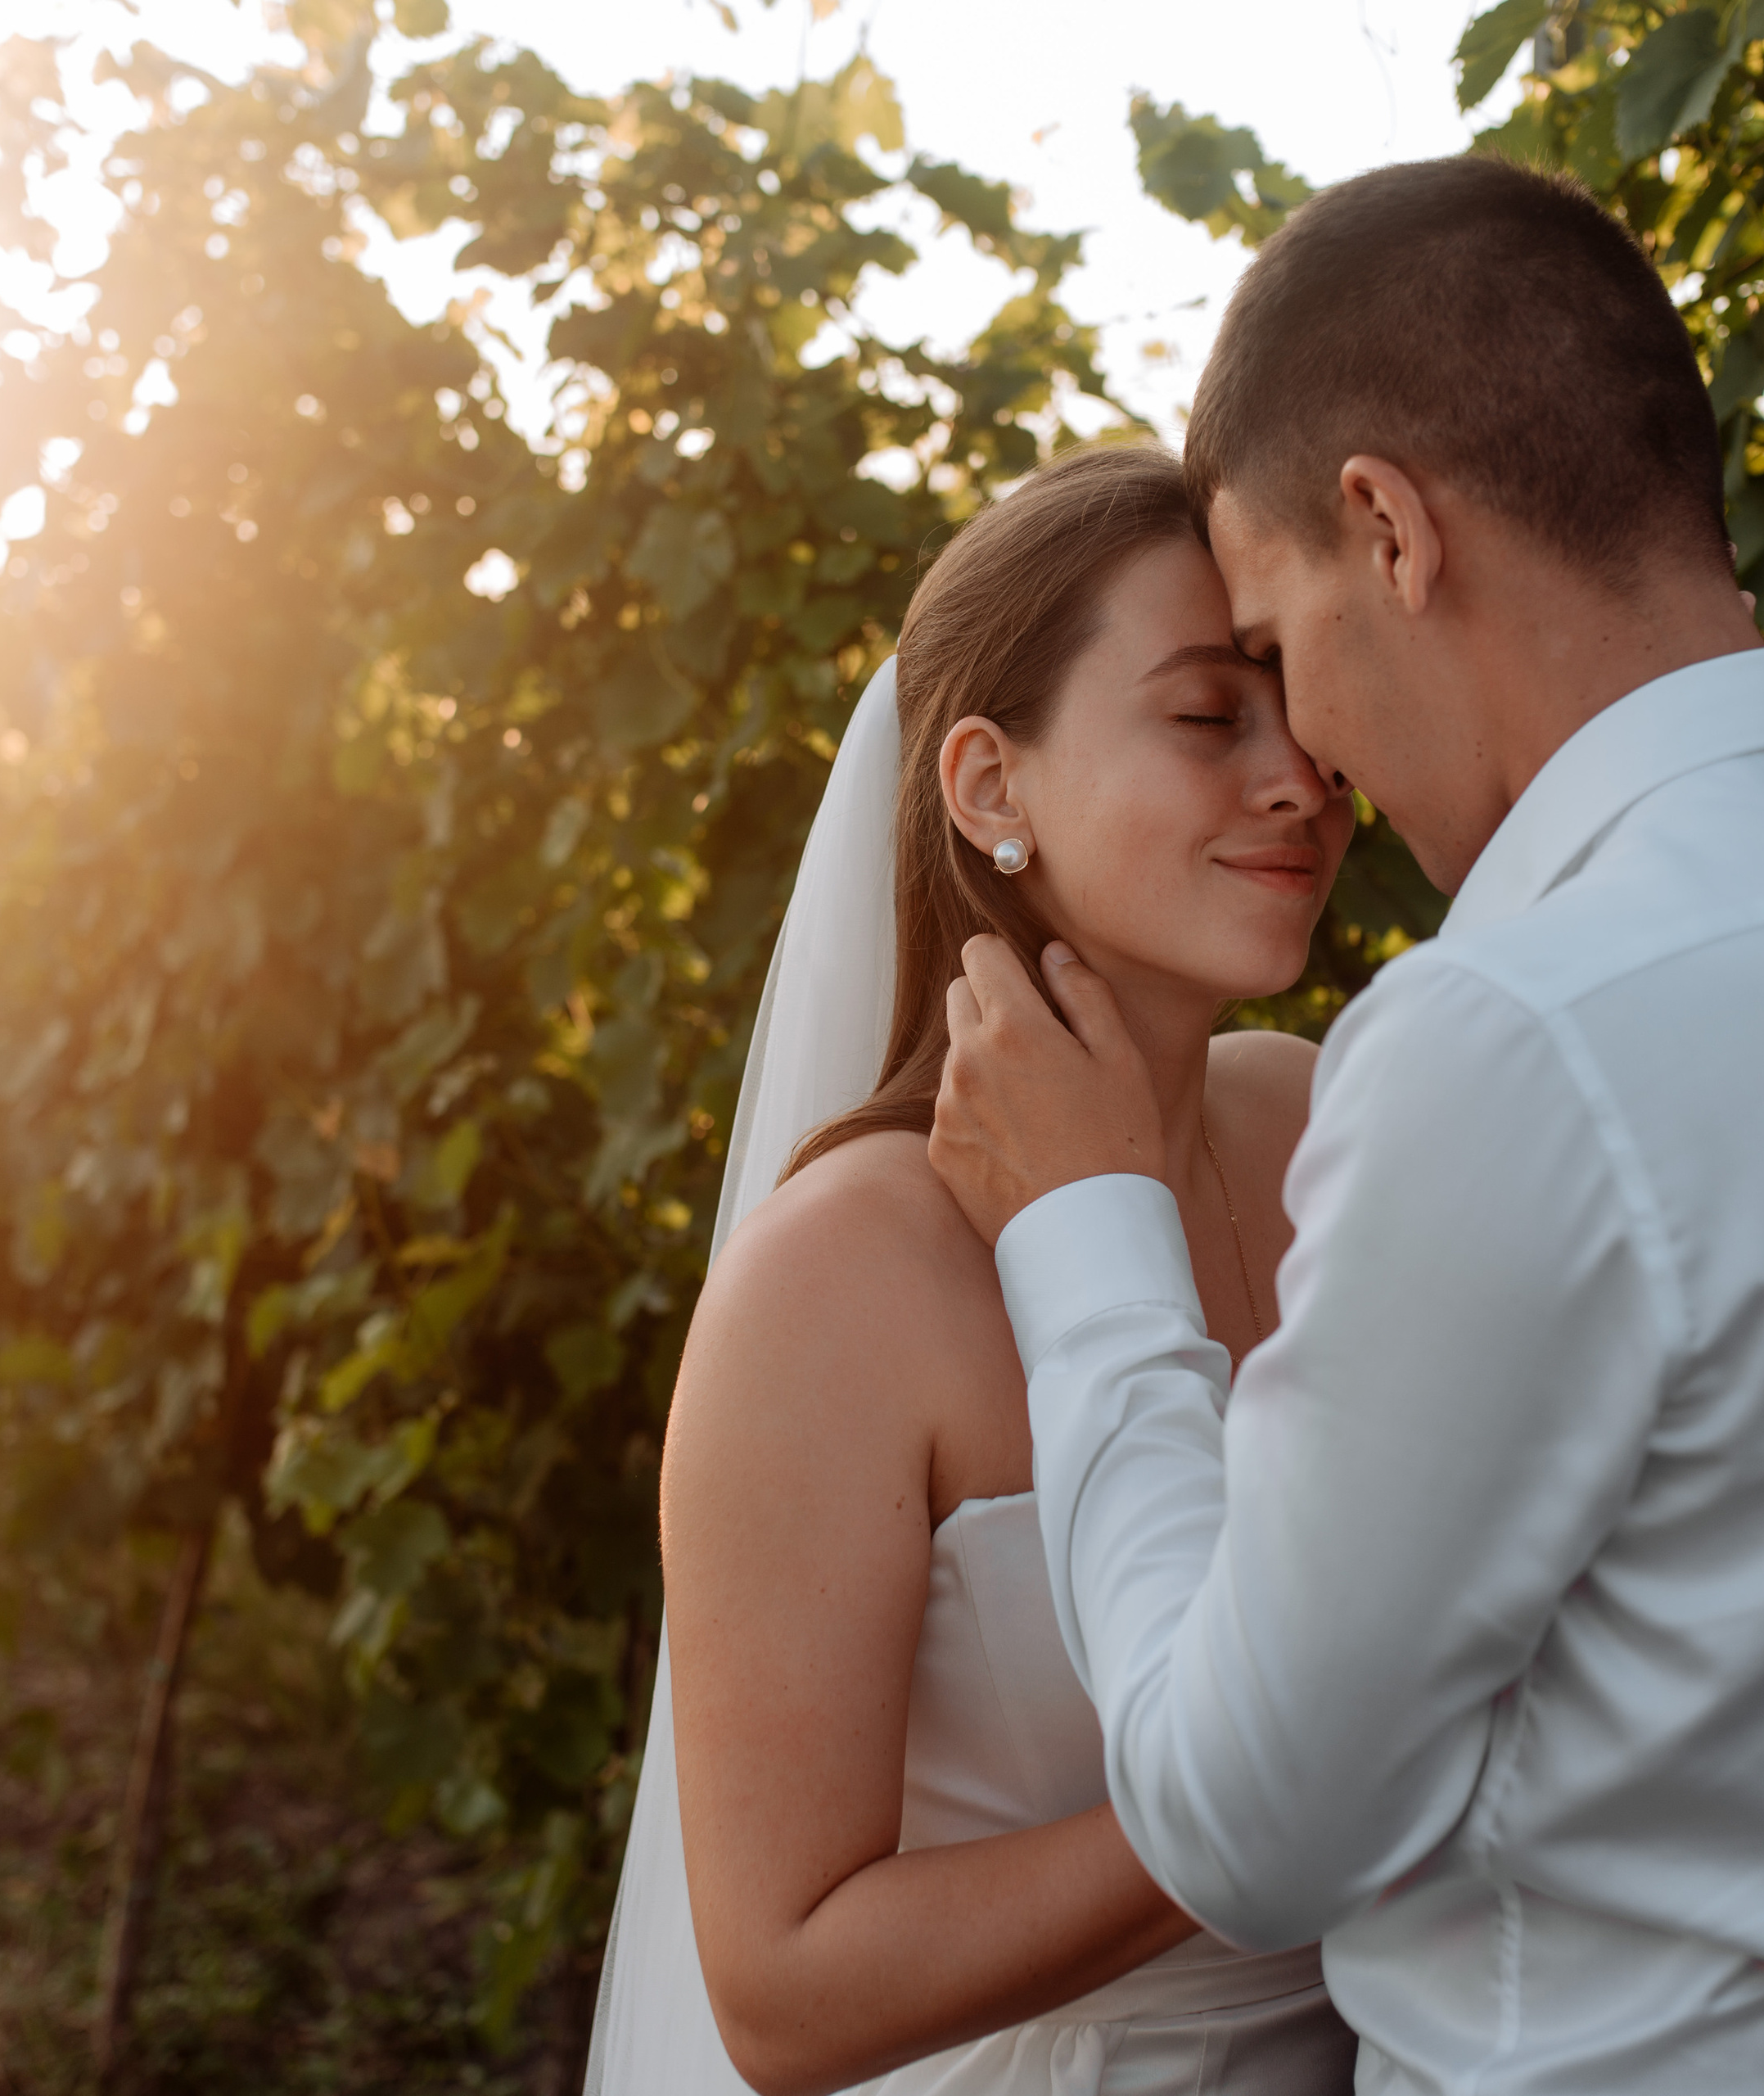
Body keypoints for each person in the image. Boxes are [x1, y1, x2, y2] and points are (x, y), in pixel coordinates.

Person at [929, 156, 1764, 2093]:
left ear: (1388, 534)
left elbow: (1240, 1816)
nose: (1305, 753)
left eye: (1277, 644)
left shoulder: (1509, 1034)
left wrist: (1091, 1236)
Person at [584, 444, 1360, 2096]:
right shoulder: (837, 1277)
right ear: (988, 786)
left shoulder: (1322, 1120)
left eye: (1297, 699)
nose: (1301, 772)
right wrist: (1286, 1787)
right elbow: (784, 1988)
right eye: (1209, 714)